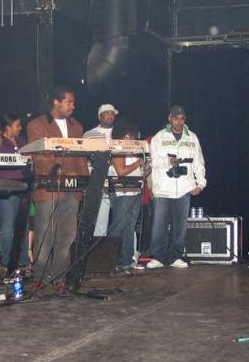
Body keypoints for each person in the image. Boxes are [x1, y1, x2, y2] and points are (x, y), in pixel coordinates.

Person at [27, 86, 88, 285]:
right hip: (49, 189)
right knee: (45, 233)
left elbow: (80, 157)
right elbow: (41, 156)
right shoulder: (36, 125)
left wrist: (85, 181)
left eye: (73, 102)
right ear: (56, 102)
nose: (73, 106)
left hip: (72, 189)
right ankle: (40, 277)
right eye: (68, 102)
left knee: (68, 234)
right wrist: (62, 171)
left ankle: (59, 276)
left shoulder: (77, 126)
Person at [145, 105, 206, 269]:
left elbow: (199, 162)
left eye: (182, 119)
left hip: (185, 188)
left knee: (180, 226)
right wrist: (168, 161)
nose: (179, 122)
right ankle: (157, 257)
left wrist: (200, 183)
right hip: (163, 188)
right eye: (175, 118)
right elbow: (153, 161)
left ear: (185, 119)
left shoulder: (192, 137)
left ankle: (175, 257)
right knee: (159, 225)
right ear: (169, 119)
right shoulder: (159, 137)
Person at [0, 114, 30, 270]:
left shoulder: (22, 142)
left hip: (23, 188)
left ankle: (23, 259)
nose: (20, 128)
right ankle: (8, 260)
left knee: (23, 226)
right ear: (8, 127)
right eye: (17, 125)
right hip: (6, 189)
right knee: (8, 225)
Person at [109, 118, 146, 272]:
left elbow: (137, 170)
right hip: (122, 192)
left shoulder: (134, 150)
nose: (132, 137)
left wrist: (146, 168)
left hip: (135, 190)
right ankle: (109, 261)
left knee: (130, 227)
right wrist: (139, 163)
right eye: (130, 134)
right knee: (119, 226)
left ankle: (127, 261)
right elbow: (121, 171)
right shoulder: (117, 149)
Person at [83, 104, 119, 236]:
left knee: (122, 220)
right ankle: (99, 247)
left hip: (119, 179)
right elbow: (85, 158)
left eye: (112, 113)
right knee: (100, 220)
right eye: (107, 113)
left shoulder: (120, 133)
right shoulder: (89, 135)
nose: (110, 116)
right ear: (99, 116)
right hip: (98, 181)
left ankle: (125, 249)